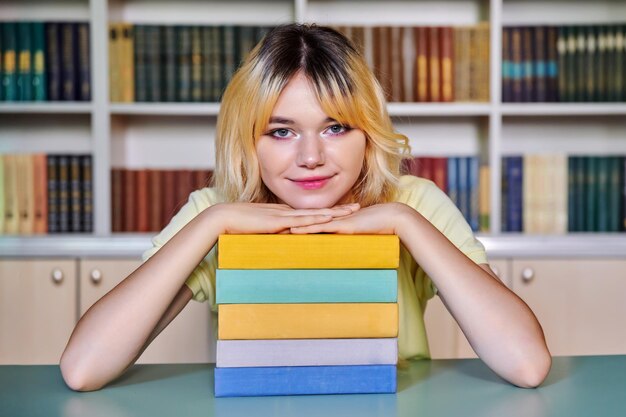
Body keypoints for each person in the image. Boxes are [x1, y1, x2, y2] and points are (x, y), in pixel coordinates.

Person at [60, 23, 551, 392]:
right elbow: (83, 369)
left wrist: (403, 222)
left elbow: (526, 364)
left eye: (336, 127)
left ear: (368, 134)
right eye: (281, 131)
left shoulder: (413, 203)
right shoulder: (215, 212)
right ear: (248, 141)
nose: (311, 157)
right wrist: (214, 223)